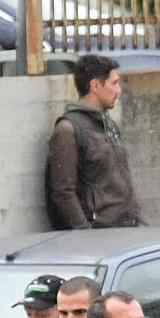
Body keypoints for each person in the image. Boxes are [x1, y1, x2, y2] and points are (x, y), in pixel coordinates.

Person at [43, 53, 141, 229]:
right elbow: (63, 193)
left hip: (124, 229)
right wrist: (85, 233)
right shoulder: (68, 130)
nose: (119, 90)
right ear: (95, 86)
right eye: (114, 83)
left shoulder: (108, 124)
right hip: (99, 236)